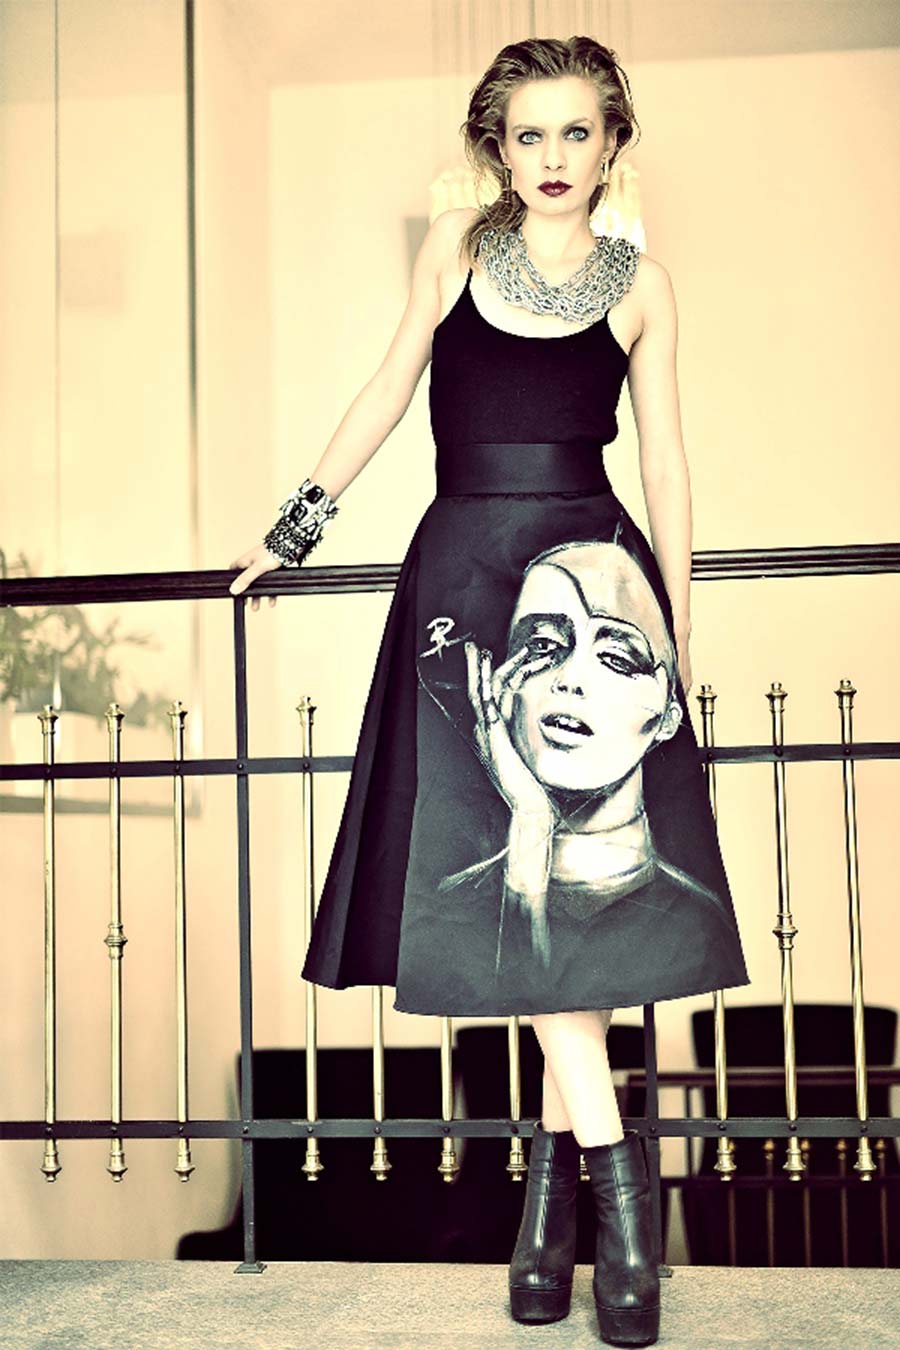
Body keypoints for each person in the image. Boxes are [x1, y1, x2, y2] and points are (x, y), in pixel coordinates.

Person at [229, 34, 750, 1349]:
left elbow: (670, 465)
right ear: (496, 150)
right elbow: (388, 385)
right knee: (521, 892)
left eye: (578, 132)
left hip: (591, 588)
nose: (554, 157)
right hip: (465, 585)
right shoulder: (455, 251)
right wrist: (295, 525)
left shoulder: (647, 287)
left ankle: (555, 1219)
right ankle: (611, 1193)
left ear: (613, 141)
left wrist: (677, 630)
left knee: (565, 906)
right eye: (530, 135)